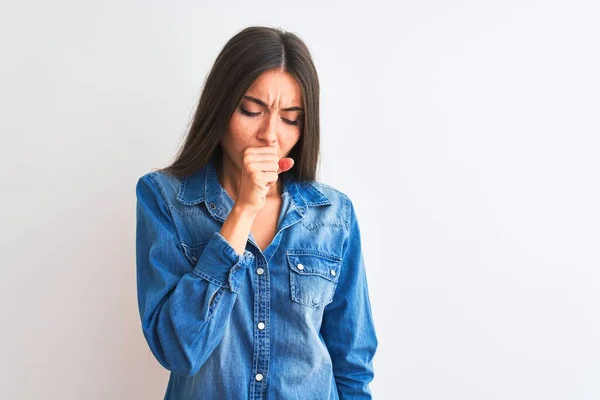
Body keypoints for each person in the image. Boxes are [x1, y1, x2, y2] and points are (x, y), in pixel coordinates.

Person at [135, 26, 378, 399]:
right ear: (220, 107)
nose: (270, 134)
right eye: (252, 110)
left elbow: (352, 362)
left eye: (291, 118)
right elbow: (178, 350)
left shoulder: (333, 214)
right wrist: (245, 209)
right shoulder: (165, 198)